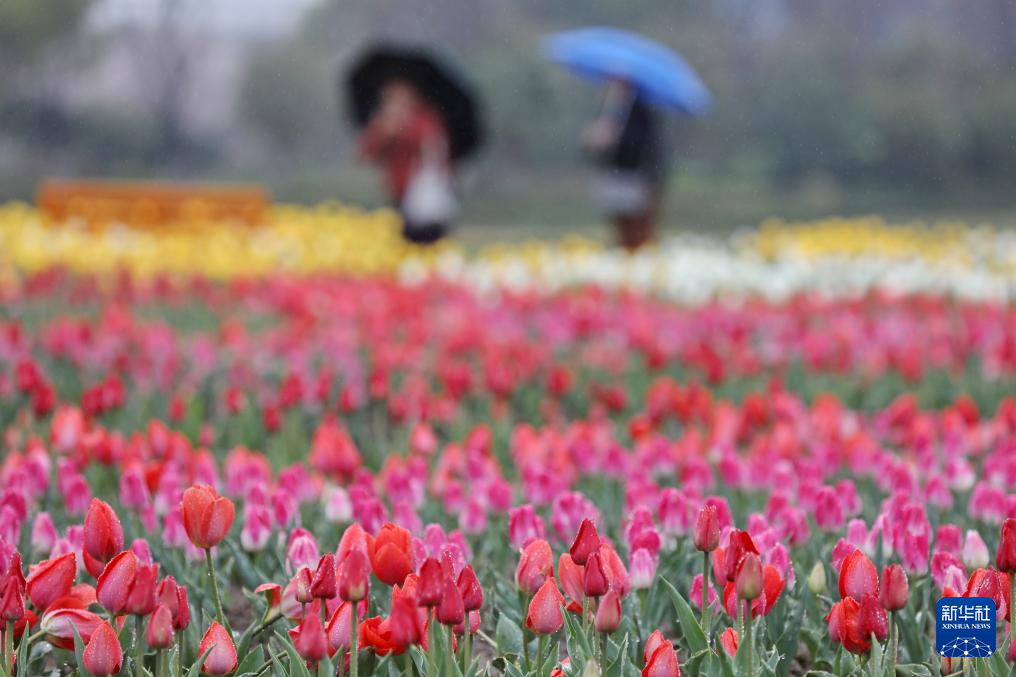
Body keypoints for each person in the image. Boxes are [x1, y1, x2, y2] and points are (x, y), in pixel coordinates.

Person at [357, 79, 456, 244]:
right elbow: (365, 154)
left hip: (422, 194)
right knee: (399, 241)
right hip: (397, 192)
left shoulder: (425, 120)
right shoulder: (383, 122)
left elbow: (432, 146)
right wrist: (384, 133)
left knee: (426, 240)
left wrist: (402, 129)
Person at [582, 80, 666, 251]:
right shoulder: (608, 109)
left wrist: (616, 137)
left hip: (635, 176)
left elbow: (644, 145)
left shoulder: (641, 109)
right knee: (619, 225)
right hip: (614, 174)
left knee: (637, 227)